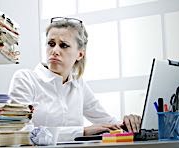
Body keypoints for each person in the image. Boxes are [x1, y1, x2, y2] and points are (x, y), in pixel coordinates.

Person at [9, 17, 141, 141]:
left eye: (63, 45)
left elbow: (107, 122)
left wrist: (128, 123)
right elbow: (22, 131)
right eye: (51, 43)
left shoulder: (78, 84)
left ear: (80, 54)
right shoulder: (25, 79)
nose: (54, 50)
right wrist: (81, 132)